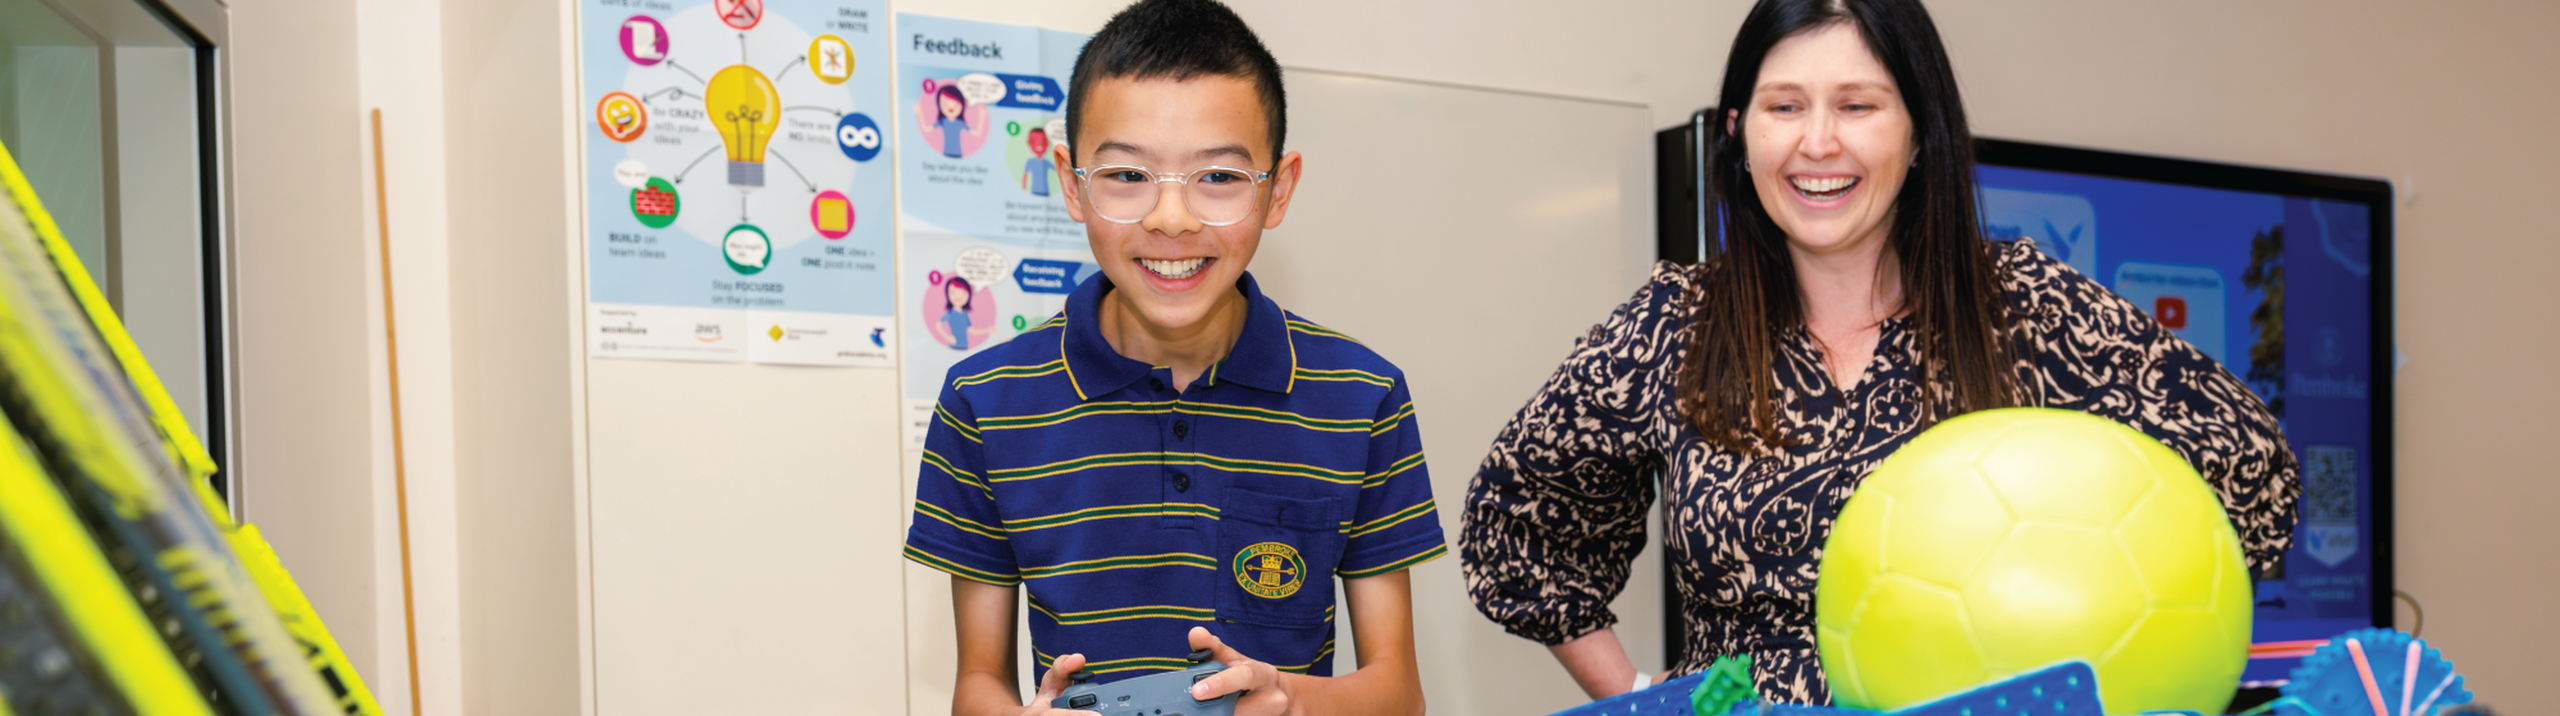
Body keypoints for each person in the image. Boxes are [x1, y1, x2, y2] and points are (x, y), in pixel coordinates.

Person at [1459, 0, 2300, 704]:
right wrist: (1645, 698)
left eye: (1857, 106)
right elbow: (1517, 532)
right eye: (1784, 107)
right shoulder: (1672, 324)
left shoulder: (2024, 307)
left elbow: (2251, 473)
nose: (1817, 142)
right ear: (1738, 132)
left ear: (1920, 130)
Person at [903, 2, 1442, 715]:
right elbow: (978, 682)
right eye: (1127, 174)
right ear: (1071, 183)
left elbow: (1398, 694)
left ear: (1278, 189)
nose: (1171, 217)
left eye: (1218, 177)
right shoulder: (985, 403)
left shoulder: (1363, 397)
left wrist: (1289, 698)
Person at [934, 83, 983, 158]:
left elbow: (977, 133)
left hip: (958, 154)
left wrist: (982, 117)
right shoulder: (943, 122)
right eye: (945, 103)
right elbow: (926, 129)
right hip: (945, 154)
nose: (950, 106)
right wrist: (920, 112)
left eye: (956, 104)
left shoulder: (960, 123)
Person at [938, 276, 979, 350]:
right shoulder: (950, 314)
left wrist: (987, 330)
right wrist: (947, 337)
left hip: (965, 346)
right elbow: (938, 325)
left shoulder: (965, 314)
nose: (958, 296)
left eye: (963, 293)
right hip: (953, 346)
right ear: (947, 294)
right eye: (953, 293)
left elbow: (972, 330)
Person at [1023, 128, 1056, 197]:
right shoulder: (1030, 162)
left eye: (1043, 140)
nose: (1039, 144)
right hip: (1034, 191)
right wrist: (1023, 192)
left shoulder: (1046, 162)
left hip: (1045, 191)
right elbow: (1025, 176)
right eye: (1033, 141)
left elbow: (1057, 169)